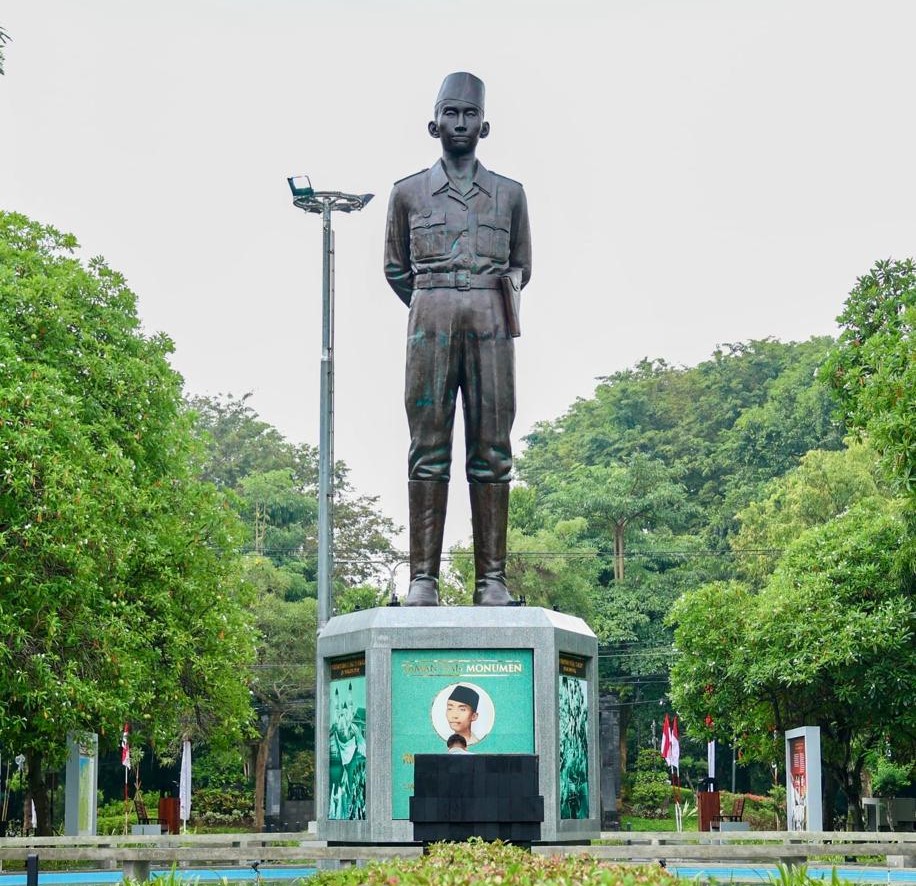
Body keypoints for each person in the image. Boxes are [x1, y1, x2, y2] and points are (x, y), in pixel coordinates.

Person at [384, 72, 532, 606]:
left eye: (470, 115)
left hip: (492, 322)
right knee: (428, 448)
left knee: (493, 448)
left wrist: (478, 304)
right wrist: (436, 306)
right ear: (434, 123)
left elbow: (522, 265)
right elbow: (395, 268)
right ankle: (422, 578)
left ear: (485, 125)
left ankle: (491, 580)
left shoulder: (510, 195)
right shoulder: (407, 193)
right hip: (430, 319)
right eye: (452, 113)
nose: (461, 124)